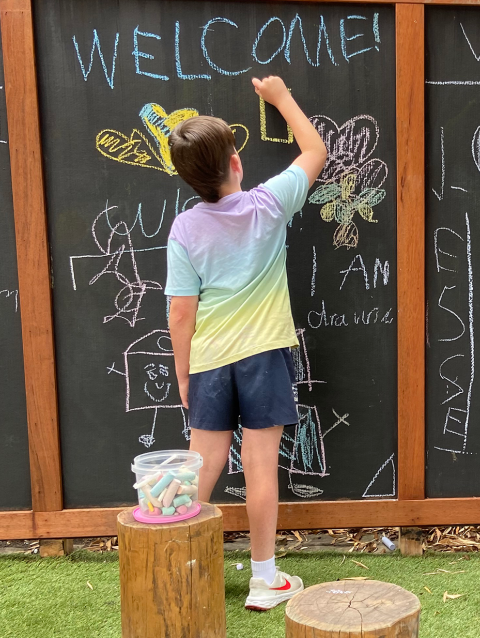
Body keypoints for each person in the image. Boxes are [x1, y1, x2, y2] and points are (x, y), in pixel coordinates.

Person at [165, 75, 326, 611]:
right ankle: (264, 579)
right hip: (263, 356)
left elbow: (181, 311)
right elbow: (316, 150)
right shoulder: (268, 204)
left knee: (199, 466)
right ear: (236, 164)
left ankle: (172, 569)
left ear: (188, 180)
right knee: (260, 465)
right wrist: (280, 99)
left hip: (209, 361)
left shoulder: (185, 229)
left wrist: (184, 374)